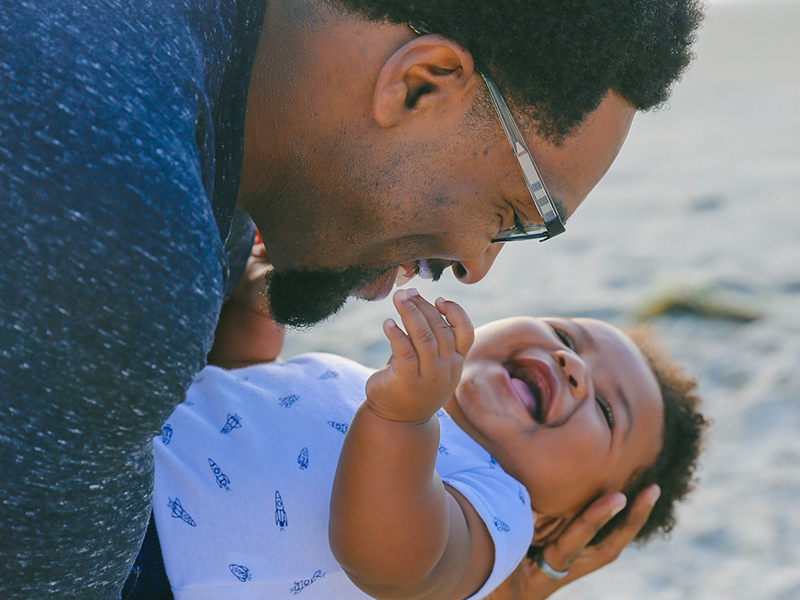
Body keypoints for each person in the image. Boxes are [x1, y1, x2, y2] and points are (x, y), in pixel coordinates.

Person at [0, 0, 703, 597]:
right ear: (421, 85)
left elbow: (393, 553)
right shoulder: (123, 235)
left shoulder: (190, 127)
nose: (475, 268)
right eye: (513, 217)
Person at [141, 278, 706, 600]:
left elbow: (389, 560)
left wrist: (403, 420)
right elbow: (240, 404)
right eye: (566, 335)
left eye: (607, 411)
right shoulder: (375, 387)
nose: (569, 363)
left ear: (554, 523)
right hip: (129, 448)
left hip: (150, 569)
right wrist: (258, 306)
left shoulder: (497, 511)